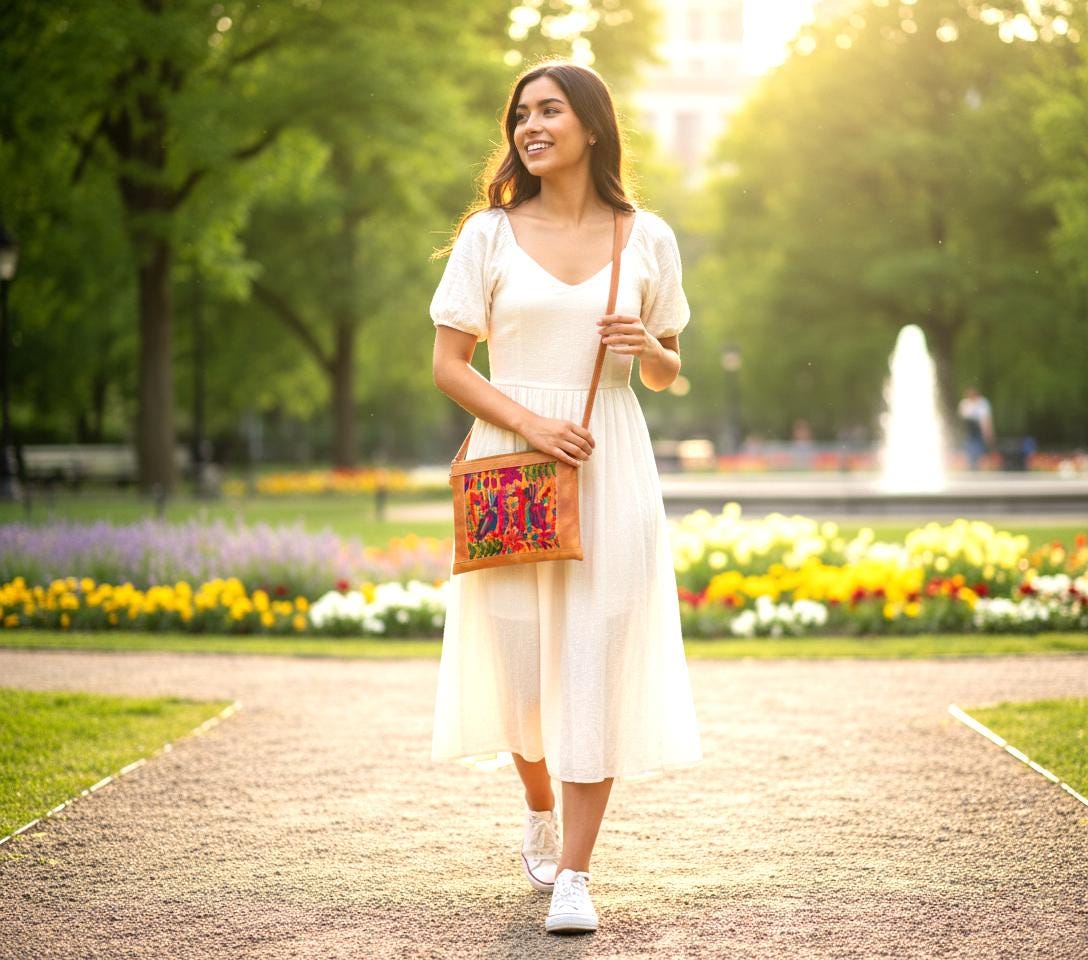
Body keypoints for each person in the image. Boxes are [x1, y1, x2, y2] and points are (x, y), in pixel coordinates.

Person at [428, 60, 703, 935]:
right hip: (516, 458)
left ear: (591, 125)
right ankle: (538, 802)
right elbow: (448, 366)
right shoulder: (489, 236)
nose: (529, 127)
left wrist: (645, 347)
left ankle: (577, 873)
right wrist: (532, 426)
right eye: (520, 115)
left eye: (549, 111)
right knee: (521, 674)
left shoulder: (645, 234)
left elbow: (667, 372)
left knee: (595, 659)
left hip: (610, 458)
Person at [958, 386, 994, 471]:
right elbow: (963, 417)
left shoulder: (982, 403)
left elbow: (985, 419)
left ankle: (976, 462)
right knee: (970, 445)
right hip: (968, 428)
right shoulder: (965, 403)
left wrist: (988, 432)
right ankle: (971, 463)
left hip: (978, 427)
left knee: (978, 445)